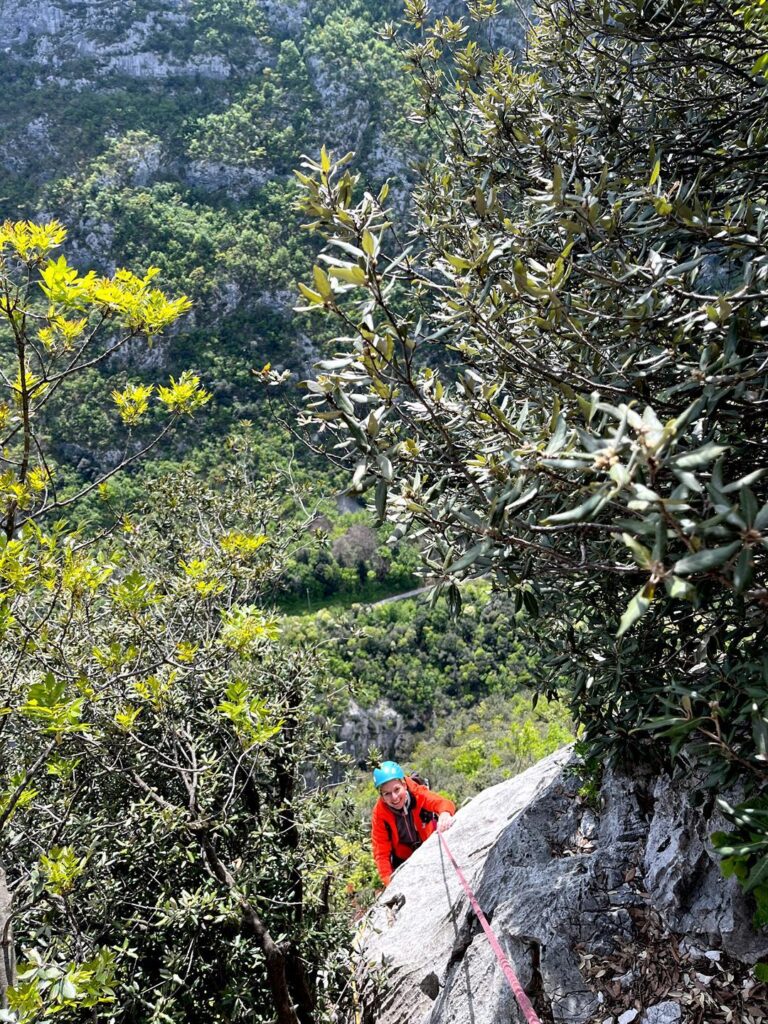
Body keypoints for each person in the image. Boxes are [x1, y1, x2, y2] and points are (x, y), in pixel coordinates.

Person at [370, 761, 456, 886]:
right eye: (387, 794)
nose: (394, 797)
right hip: (404, 860)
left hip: (429, 848)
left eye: (396, 789)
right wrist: (389, 883)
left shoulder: (417, 793)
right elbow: (381, 853)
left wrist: (444, 813)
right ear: (382, 796)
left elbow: (442, 803)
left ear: (404, 785)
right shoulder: (380, 814)